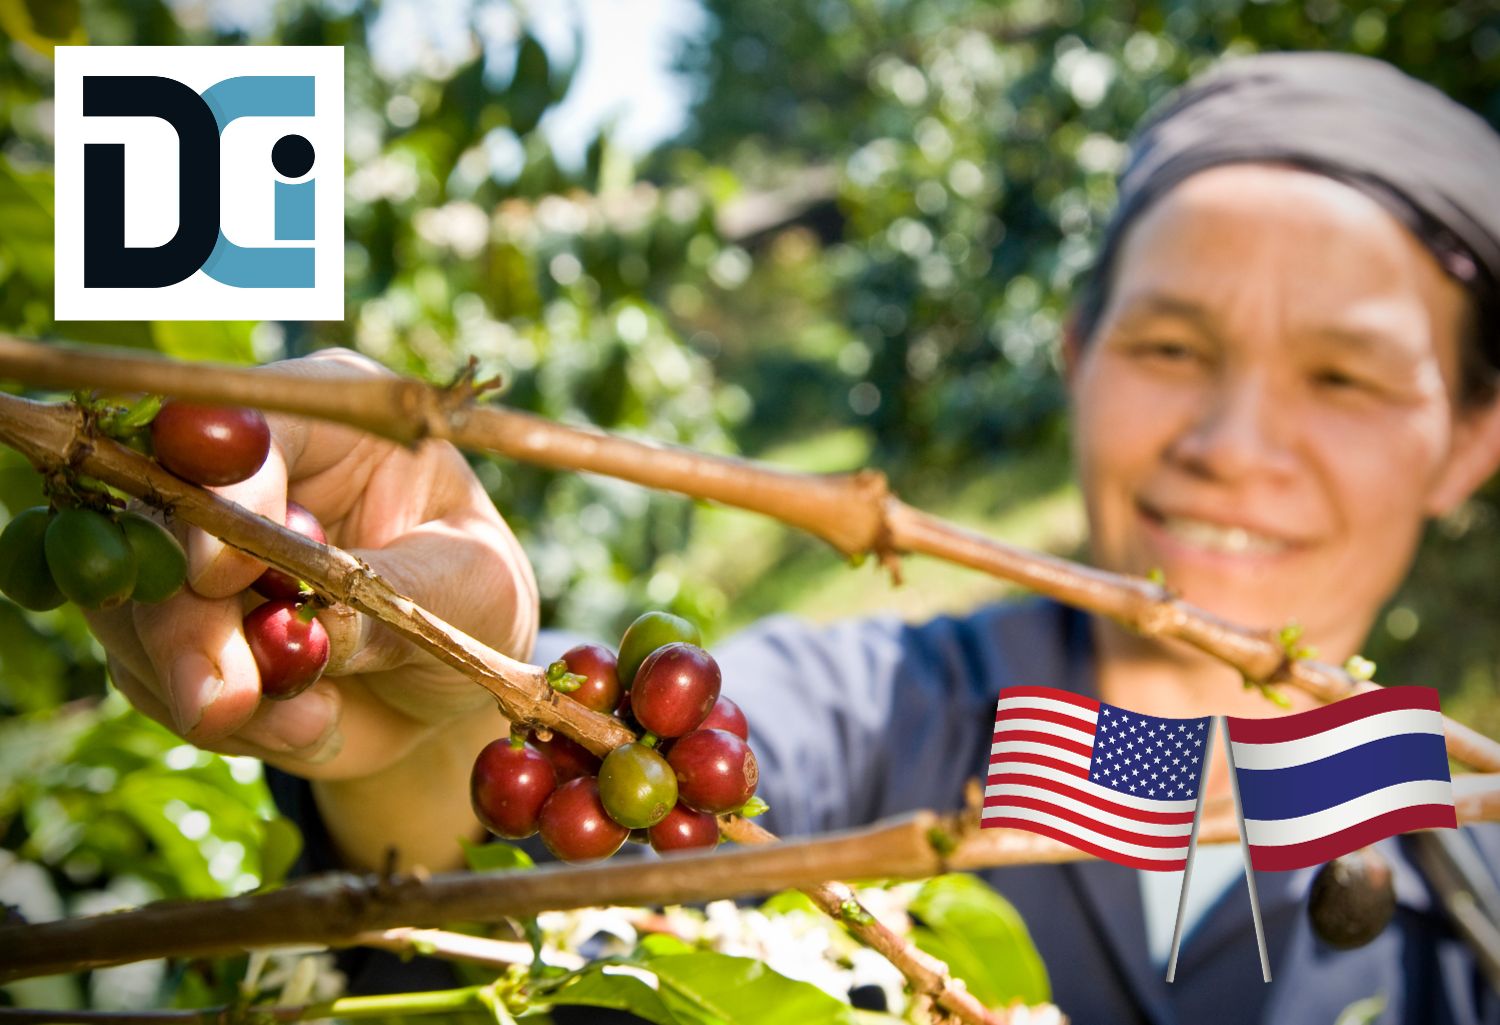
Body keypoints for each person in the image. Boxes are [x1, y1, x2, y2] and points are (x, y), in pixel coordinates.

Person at [82, 51, 1500, 1023]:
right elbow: (527, 884)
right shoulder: (876, 722)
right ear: (1076, 355)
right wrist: (429, 729)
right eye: (1173, 344)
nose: (1235, 444)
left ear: (1470, 439)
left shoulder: (1469, 870)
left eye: (1347, 374)